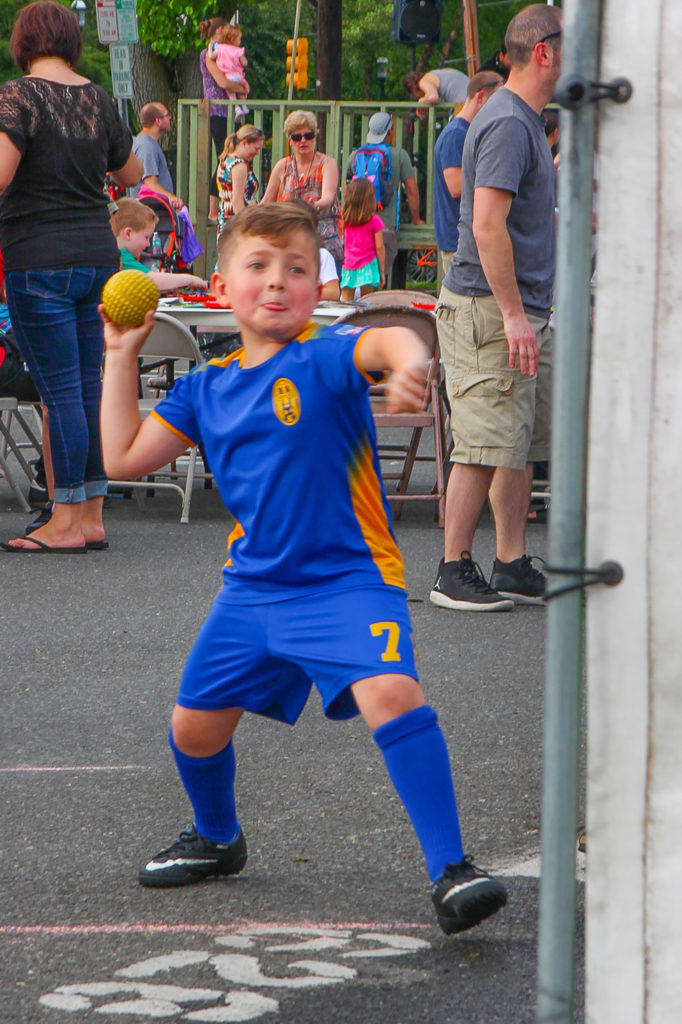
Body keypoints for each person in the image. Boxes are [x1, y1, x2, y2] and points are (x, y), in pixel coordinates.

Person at [99, 201, 508, 935]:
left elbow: (386, 340)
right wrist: (120, 355)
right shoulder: (206, 388)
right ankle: (218, 838)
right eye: (257, 265)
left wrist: (409, 362)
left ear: (318, 290)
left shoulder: (323, 356)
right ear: (220, 288)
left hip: (349, 582)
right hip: (253, 589)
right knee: (193, 729)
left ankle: (452, 869)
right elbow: (122, 457)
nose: (277, 281)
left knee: (392, 693)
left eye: (296, 268)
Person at [430, 3, 562, 611]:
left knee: (514, 441)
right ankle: (452, 570)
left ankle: (509, 562)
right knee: (482, 444)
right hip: (489, 309)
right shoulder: (509, 122)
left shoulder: (523, 119)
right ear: (545, 52)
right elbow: (486, 226)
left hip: (513, 306)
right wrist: (512, 314)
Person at [0, 0, 142, 554]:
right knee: (86, 389)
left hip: (40, 259)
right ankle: (91, 515)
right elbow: (131, 171)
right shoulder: (98, 99)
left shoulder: (17, 97)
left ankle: (63, 521)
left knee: (58, 393)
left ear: (23, 42)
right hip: (97, 257)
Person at [433, 71, 503, 276]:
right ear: (480, 97)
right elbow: (456, 187)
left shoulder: (465, 132)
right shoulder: (456, 134)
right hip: (458, 243)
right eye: (497, 100)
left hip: (465, 241)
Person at [344, 113, 423, 288]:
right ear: (390, 131)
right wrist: (416, 218)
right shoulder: (400, 155)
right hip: (384, 227)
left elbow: (347, 188)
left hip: (356, 229)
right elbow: (411, 189)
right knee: (377, 283)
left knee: (355, 283)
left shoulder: (356, 155)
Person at [261, 110, 343, 272]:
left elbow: (328, 197)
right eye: (297, 137)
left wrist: (315, 205)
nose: (303, 141)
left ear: (315, 137)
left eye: (308, 136)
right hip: (289, 242)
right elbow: (266, 202)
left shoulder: (327, 163)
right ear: (289, 140)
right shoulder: (282, 166)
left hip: (324, 242)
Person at [111, 198, 208, 292]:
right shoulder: (122, 257)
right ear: (128, 234)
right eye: (146, 237)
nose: (148, 244)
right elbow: (153, 281)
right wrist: (190, 279)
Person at [198, 17, 234, 222]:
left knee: (230, 157)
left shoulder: (224, 51)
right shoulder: (208, 54)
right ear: (220, 30)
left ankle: (224, 204)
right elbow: (222, 82)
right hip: (217, 112)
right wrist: (239, 86)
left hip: (229, 112)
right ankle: (212, 209)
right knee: (224, 157)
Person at [130, 102, 183, 211]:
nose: (170, 118)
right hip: (150, 212)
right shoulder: (147, 147)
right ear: (158, 121)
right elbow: (150, 183)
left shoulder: (145, 142)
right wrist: (171, 197)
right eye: (167, 115)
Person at [340, 178, 385, 301]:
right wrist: (381, 271)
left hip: (349, 264)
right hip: (368, 264)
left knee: (346, 300)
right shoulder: (375, 220)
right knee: (366, 301)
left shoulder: (345, 219)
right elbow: (380, 247)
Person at [215, 124, 264, 236]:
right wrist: (247, 228)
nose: (257, 153)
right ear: (244, 143)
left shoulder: (225, 161)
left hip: (226, 220)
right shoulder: (239, 166)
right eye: (256, 148)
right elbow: (237, 202)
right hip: (239, 224)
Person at [404, 67, 470, 121]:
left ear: (412, 88)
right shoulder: (436, 74)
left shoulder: (423, 81)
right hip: (472, 101)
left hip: (463, 106)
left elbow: (433, 97)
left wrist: (421, 101)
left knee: (452, 131)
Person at [207, 22, 250, 102]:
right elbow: (244, 63)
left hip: (229, 79)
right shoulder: (236, 50)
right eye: (239, 39)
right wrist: (242, 89)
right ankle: (242, 105)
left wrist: (210, 47)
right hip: (238, 76)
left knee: (232, 94)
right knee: (240, 90)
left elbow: (211, 56)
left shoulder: (220, 49)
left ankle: (237, 106)